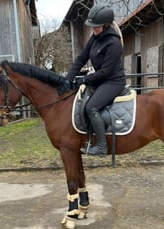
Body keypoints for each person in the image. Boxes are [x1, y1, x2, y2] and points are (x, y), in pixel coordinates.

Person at [66, 4, 126, 156]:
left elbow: (105, 72)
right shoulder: (95, 38)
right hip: (101, 79)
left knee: (91, 107)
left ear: (105, 25)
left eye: (96, 26)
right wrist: (69, 78)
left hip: (113, 81)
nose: (93, 29)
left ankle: (101, 146)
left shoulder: (113, 43)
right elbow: (81, 58)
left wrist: (84, 80)